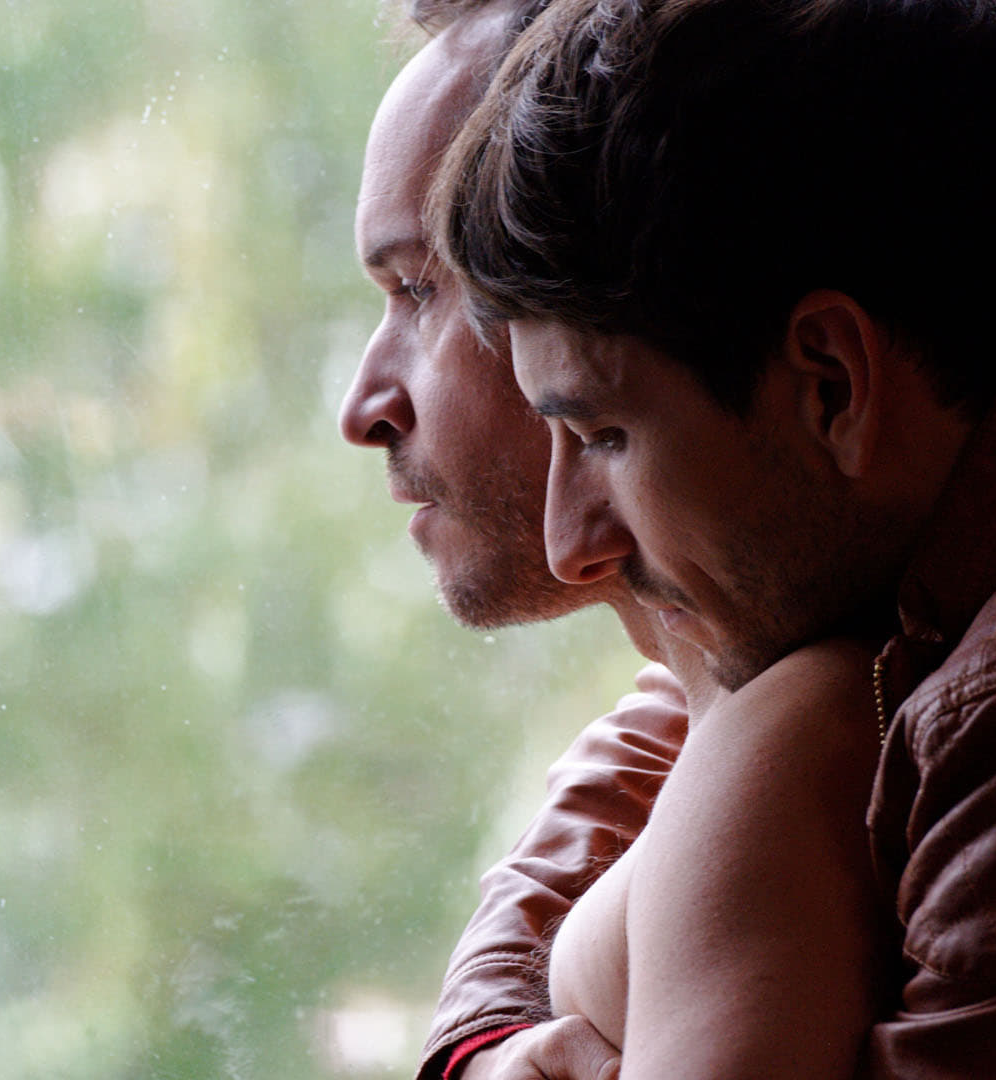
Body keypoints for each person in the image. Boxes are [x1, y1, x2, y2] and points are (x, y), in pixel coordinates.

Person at [428, 0, 996, 1075]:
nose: (569, 543)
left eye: (604, 435)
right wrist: (485, 1045)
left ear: (831, 384)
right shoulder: (892, 592)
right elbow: (678, 706)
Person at [341, 5, 705, 1077]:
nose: (363, 407)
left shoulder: (958, 728)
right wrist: (489, 1044)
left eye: (420, 288)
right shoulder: (713, 695)